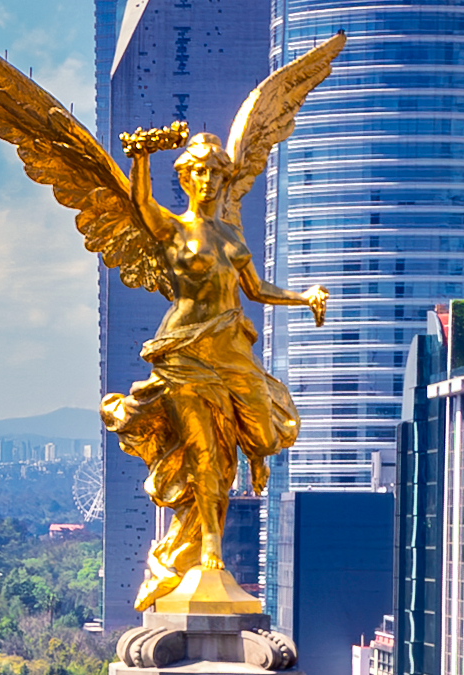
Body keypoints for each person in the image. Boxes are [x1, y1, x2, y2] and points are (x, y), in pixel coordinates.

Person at [101, 132, 327, 611]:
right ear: (184, 177)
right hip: (184, 352)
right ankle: (209, 549)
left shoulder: (230, 237)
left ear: (225, 178)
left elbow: (257, 289)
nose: (206, 180)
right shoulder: (172, 229)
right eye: (198, 172)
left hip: (231, 351)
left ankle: (252, 447)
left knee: (265, 436)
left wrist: (302, 296)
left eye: (215, 173)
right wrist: (140, 158)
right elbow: (138, 201)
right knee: (207, 454)